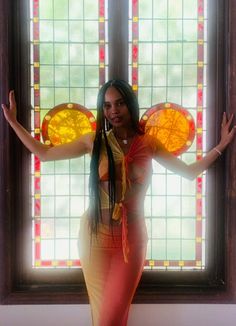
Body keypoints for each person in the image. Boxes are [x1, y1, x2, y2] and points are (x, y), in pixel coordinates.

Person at [1, 79, 235, 326]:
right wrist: (13, 122)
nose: (114, 111)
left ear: (130, 105)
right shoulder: (94, 141)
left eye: (120, 104)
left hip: (131, 241)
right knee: (104, 317)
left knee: (110, 319)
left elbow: (189, 172)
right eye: (108, 105)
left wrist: (221, 145)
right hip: (94, 239)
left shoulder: (149, 144)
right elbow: (44, 154)